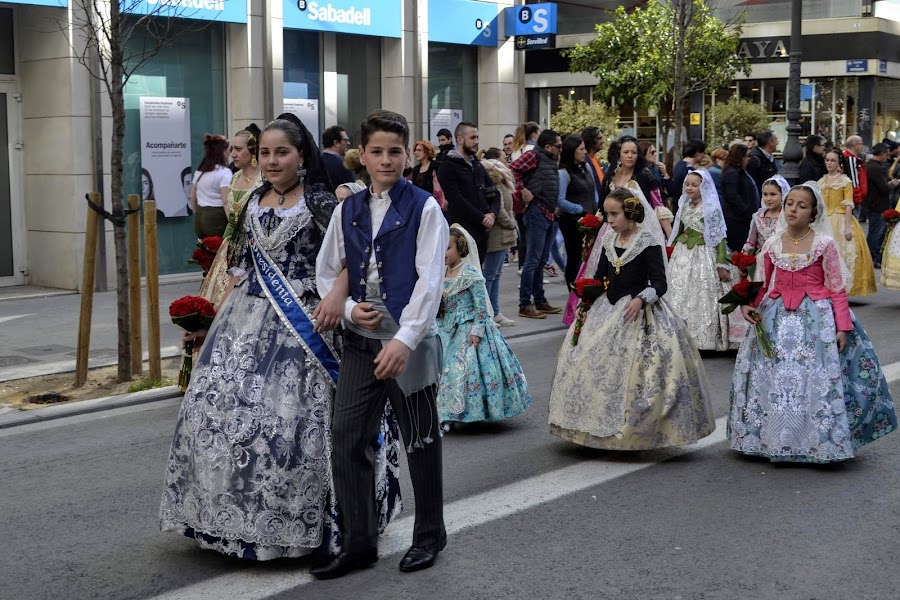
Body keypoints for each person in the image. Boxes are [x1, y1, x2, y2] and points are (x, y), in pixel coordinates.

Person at [160, 115, 403, 561]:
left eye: (282, 152)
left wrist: (335, 295)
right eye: (266, 153)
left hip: (310, 317)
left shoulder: (325, 202)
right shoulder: (253, 200)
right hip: (247, 316)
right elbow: (241, 264)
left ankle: (314, 520)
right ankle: (233, 518)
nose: (272, 161)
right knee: (224, 417)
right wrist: (209, 323)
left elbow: (359, 254)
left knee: (296, 422)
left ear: (302, 156)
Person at [313, 109, 448, 579]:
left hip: (407, 342)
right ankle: (359, 544)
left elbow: (430, 282)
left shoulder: (425, 207)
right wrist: (349, 310)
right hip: (359, 341)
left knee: (420, 440)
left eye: (395, 151)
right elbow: (327, 271)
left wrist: (406, 340)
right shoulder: (346, 209)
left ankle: (430, 535)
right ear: (362, 156)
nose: (386, 160)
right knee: (347, 437)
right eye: (377, 152)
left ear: (408, 154)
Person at [729, 183, 896, 463]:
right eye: (790, 203)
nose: (793, 209)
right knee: (774, 380)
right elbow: (763, 285)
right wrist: (749, 306)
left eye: (802, 205)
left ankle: (816, 440)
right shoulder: (772, 244)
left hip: (815, 318)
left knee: (813, 380)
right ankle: (773, 438)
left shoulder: (824, 244)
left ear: (813, 212)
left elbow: (836, 288)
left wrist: (843, 327)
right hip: (776, 318)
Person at [549, 188, 716, 450]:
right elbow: (603, 277)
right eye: (607, 215)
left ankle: (636, 431)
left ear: (630, 213)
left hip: (640, 310)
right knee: (585, 358)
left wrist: (641, 298)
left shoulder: (647, 241)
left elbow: (660, 283)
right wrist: (589, 296)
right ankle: (589, 422)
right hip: (609, 308)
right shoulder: (608, 241)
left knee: (642, 373)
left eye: (615, 214)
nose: (610, 220)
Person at [436, 225, 531, 426]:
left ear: (460, 247)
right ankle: (448, 411)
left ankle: (472, 411)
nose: (443, 253)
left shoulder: (470, 273)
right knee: (442, 367)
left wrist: (477, 331)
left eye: (448, 248)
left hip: (468, 327)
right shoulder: (441, 273)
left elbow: (481, 307)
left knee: (463, 367)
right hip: (446, 327)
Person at [667, 170, 736, 351]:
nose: (689, 188)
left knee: (702, 291)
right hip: (683, 253)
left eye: (694, 185)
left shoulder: (711, 208)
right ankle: (677, 334)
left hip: (704, 253)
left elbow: (719, 236)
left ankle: (703, 338)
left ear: (703, 187)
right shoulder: (683, 205)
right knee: (679, 291)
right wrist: (670, 250)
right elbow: (678, 230)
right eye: (687, 184)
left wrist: (721, 262)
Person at [199, 124, 263, 308]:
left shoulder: (263, 179)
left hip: (252, 246)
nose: (233, 154)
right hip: (231, 243)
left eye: (238, 149)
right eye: (231, 149)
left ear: (252, 150)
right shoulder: (234, 177)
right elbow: (230, 211)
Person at [510, 129, 563, 319]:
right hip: (536, 211)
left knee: (540, 261)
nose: (560, 149)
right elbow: (514, 168)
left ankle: (539, 301)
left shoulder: (548, 159)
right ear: (548, 146)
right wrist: (523, 189)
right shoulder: (534, 155)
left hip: (547, 211)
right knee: (532, 261)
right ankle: (525, 304)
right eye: (558, 145)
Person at [437, 122, 499, 261]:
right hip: (462, 232)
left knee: (479, 275)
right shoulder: (448, 166)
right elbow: (456, 199)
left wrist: (492, 214)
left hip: (481, 232)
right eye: (472, 138)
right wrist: (482, 218)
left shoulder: (476, 164)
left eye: (477, 137)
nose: (476, 141)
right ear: (460, 139)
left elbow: (494, 191)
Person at [818, 148, 876, 297]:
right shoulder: (821, 181)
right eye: (827, 160)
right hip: (824, 220)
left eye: (832, 160)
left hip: (841, 218)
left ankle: (843, 289)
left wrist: (848, 226)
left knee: (844, 252)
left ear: (839, 164)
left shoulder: (845, 181)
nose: (829, 163)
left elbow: (849, 204)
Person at [601, 135, 673, 239]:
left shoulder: (645, 175)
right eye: (626, 152)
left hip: (638, 229)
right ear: (619, 154)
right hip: (612, 229)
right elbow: (602, 206)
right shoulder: (610, 177)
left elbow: (658, 205)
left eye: (634, 153)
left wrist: (670, 238)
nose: (630, 156)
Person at [556, 134, 597, 287]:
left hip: (590, 219)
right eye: (581, 149)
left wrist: (595, 207)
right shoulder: (563, 173)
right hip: (573, 223)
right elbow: (559, 200)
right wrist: (578, 209)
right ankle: (574, 293)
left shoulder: (585, 167)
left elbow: (594, 190)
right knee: (575, 258)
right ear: (572, 151)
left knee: (589, 258)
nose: (585, 152)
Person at [481, 157, 518, 326]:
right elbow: (500, 210)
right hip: (497, 234)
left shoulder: (501, 184)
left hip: (503, 235)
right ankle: (487, 314)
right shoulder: (495, 185)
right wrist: (511, 224)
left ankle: (495, 312)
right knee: (489, 276)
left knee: (495, 275)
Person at [743, 175, 788, 282]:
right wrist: (745, 259)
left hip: (781, 261)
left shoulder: (786, 216)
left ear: (783, 195)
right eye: (765, 194)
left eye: (773, 194)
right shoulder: (757, 216)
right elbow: (751, 242)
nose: (768, 198)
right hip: (761, 263)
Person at [864, 143, 900, 267]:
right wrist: (892, 184)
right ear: (882, 154)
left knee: (876, 231)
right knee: (876, 232)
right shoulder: (875, 167)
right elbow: (883, 188)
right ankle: (872, 257)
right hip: (877, 204)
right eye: (886, 154)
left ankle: (874, 256)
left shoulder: (870, 165)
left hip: (873, 203)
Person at [190, 134, 232, 238]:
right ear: (223, 151)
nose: (230, 153)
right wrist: (232, 224)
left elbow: (192, 196)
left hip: (200, 217)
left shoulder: (199, 172)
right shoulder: (224, 173)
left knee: (204, 251)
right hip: (217, 218)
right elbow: (226, 201)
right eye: (228, 150)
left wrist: (197, 214)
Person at [721, 143, 759, 251]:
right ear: (740, 157)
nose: (748, 159)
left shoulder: (739, 172)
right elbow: (732, 196)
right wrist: (746, 211)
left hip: (742, 219)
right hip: (737, 220)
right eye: (746, 156)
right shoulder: (732, 173)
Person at [321, 125, 353, 191]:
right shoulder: (343, 164)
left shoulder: (315, 162)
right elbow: (351, 191)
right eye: (345, 140)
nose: (348, 143)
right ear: (336, 143)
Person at [842, 135, 867, 220]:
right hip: (853, 198)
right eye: (861, 144)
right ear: (855, 146)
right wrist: (857, 197)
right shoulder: (850, 158)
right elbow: (854, 180)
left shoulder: (850, 157)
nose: (862, 146)